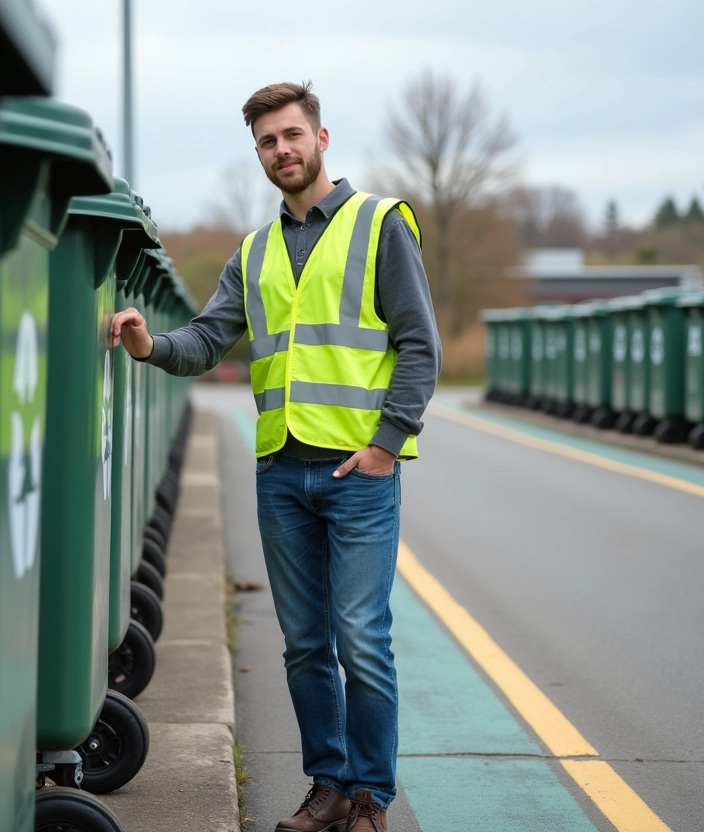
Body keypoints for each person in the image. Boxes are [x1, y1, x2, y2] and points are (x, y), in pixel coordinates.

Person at [110, 81, 440, 832]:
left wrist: (387, 446)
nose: (281, 150)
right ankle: (326, 786)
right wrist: (148, 345)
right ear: (258, 152)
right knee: (302, 645)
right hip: (282, 471)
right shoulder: (254, 252)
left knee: (361, 638)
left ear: (322, 139)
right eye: (266, 141)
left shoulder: (379, 224)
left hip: (359, 471)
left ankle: (370, 798)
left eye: (292, 135)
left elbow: (421, 345)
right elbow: (204, 340)